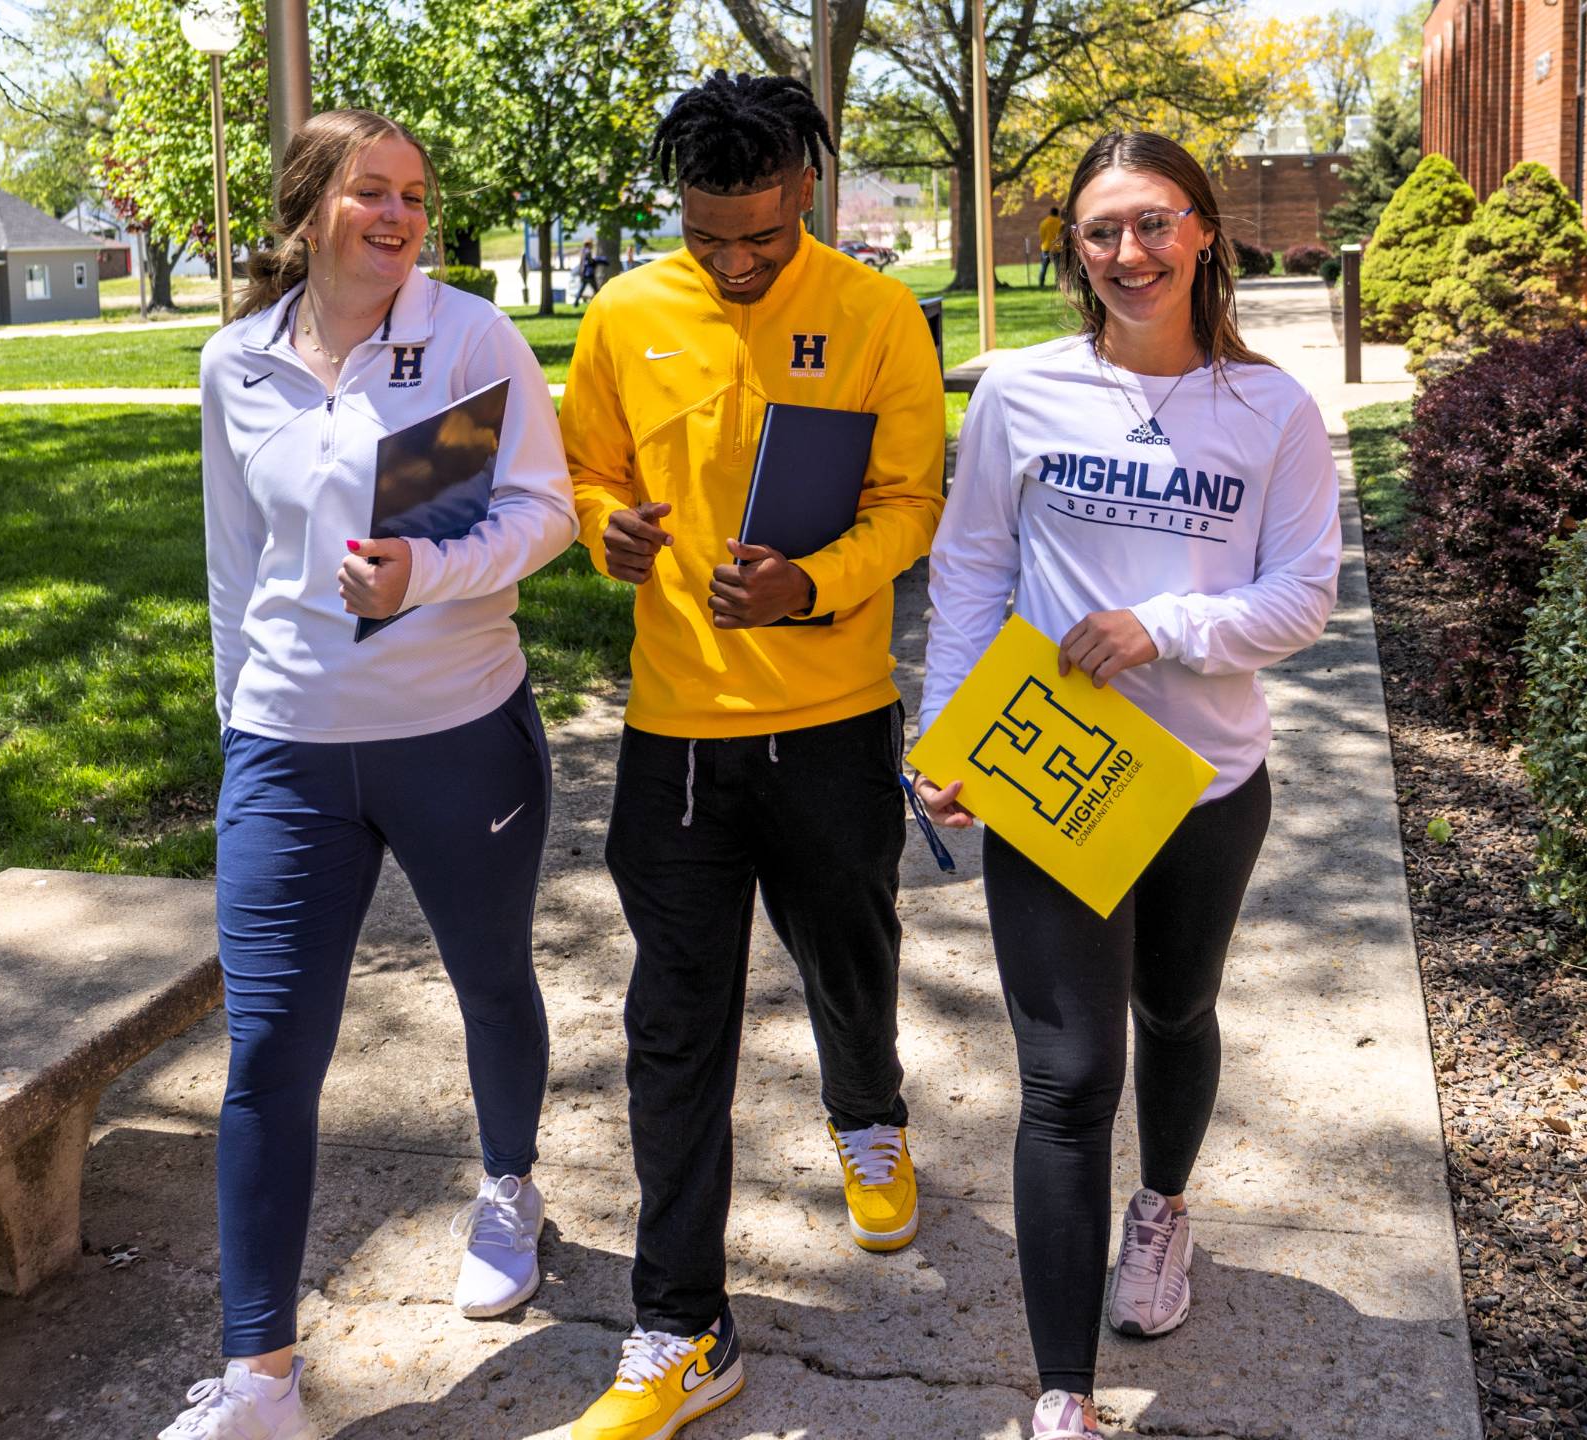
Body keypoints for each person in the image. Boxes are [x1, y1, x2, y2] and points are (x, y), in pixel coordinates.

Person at [914, 130, 1341, 1439]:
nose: (1127, 253)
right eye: (1101, 231)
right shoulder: (1023, 393)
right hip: (1059, 775)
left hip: (1208, 782)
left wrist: (1167, 628)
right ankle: (1063, 1397)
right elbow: (970, 571)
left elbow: (1305, 593)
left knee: (1174, 1013)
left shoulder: (1270, 409)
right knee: (1065, 1075)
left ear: (1203, 230)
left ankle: (1161, 1213)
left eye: (1152, 223)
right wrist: (943, 736)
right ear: (1076, 250)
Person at [161, 108, 575, 1440]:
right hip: (286, 748)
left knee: (492, 981)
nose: (398, 218)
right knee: (270, 1051)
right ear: (307, 207)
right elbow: (237, 566)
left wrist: (426, 573)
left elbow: (543, 512)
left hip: (459, 728)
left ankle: (509, 1183)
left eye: (414, 197)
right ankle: (259, 1383)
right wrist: (240, 722)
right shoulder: (235, 364)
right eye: (369, 193)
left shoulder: (465, 336)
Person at [560, 71, 946, 1440]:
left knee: (852, 952)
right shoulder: (623, 313)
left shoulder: (876, 314)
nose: (733, 264)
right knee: (673, 1025)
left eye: (762, 239)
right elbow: (587, 473)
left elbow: (913, 505)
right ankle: (680, 1327)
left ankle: (871, 1113)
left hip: (834, 722)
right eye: (709, 235)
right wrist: (604, 528)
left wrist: (816, 585)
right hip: (674, 737)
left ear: (807, 196)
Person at [1037, 204, 1063, 286]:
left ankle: (1041, 283)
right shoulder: (1060, 223)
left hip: (1046, 248)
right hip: (1057, 248)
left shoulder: (1044, 223)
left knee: (1044, 267)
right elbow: (1062, 234)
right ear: (1057, 213)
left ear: (1050, 213)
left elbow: (1041, 235)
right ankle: (1058, 284)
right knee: (1058, 268)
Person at [573, 239, 599, 303]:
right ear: (589, 244)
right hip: (589, 274)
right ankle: (599, 300)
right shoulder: (588, 251)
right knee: (596, 289)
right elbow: (590, 261)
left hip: (583, 273)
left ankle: (576, 302)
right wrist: (594, 261)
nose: (592, 245)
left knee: (582, 289)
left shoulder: (583, 251)